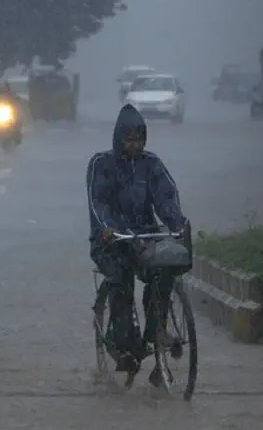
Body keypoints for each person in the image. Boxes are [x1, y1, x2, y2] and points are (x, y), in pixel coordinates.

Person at [86, 104, 190, 386]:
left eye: (139, 139)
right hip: (111, 241)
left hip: (143, 237)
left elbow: (166, 198)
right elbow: (99, 203)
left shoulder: (151, 164)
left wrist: (177, 222)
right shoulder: (101, 164)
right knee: (120, 280)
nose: (135, 144)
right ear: (118, 139)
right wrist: (108, 228)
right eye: (129, 139)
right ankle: (124, 346)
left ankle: (155, 336)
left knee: (163, 273)